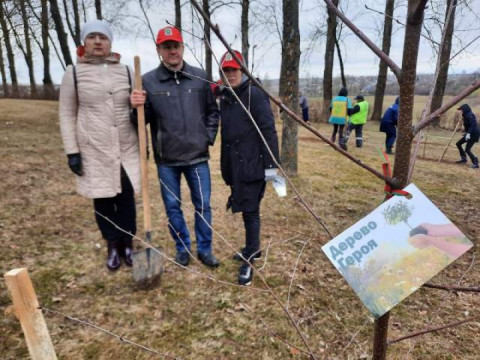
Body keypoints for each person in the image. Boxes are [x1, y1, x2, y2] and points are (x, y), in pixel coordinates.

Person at [130, 26, 220, 268]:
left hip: (197, 157)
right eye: (166, 46)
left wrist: (207, 137)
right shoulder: (147, 81)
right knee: (172, 207)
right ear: (159, 50)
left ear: (182, 47)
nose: (172, 51)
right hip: (167, 160)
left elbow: (213, 112)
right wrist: (135, 105)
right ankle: (182, 248)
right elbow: (139, 121)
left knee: (203, 205)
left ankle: (205, 249)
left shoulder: (200, 78)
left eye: (175, 45)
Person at [59, 20, 140, 271]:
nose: (97, 42)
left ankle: (127, 242)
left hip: (126, 147)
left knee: (126, 197)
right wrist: (73, 152)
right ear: (84, 43)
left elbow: (136, 109)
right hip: (94, 148)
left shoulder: (126, 71)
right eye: (92, 37)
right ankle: (112, 244)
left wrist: (139, 106)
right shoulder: (73, 73)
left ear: (110, 43)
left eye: (102, 38)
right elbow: (66, 113)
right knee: (103, 199)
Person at [218, 50, 281, 286]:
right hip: (235, 165)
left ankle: (251, 257)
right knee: (245, 208)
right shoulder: (227, 96)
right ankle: (250, 248)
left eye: (233, 70)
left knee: (251, 210)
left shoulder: (254, 94)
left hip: (253, 164)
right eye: (225, 71)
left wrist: (271, 166)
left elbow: (268, 130)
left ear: (242, 70)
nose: (230, 74)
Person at [455, 104, 479, 169]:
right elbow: (468, 126)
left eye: (461, 110)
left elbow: (473, 125)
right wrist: (466, 133)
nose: (461, 111)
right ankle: (464, 158)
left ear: (465, 109)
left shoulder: (470, 115)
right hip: (470, 133)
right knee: (458, 143)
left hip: (474, 134)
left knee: (467, 149)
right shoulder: (466, 115)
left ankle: (475, 163)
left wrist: (468, 134)